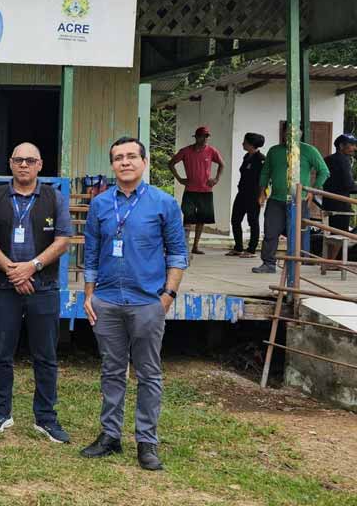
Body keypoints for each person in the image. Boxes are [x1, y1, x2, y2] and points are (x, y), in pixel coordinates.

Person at [81, 137, 187, 471]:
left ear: (144, 161)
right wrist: (89, 294)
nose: (125, 162)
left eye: (131, 157)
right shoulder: (100, 204)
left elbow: (178, 253)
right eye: (118, 158)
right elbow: (92, 253)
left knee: (149, 374)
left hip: (147, 302)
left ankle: (147, 442)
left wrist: (168, 295)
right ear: (112, 165)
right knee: (112, 370)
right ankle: (110, 435)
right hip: (107, 302)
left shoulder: (164, 203)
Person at [0, 142, 72, 444]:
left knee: (46, 354)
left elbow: (63, 239)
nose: (24, 165)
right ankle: (1, 413)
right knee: (1, 352)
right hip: (3, 286)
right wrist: (12, 270)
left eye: (30, 160)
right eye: (18, 160)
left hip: (43, 286)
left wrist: (31, 266)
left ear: (40, 165)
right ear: (10, 163)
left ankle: (46, 418)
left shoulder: (54, 198)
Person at [252, 128, 329, 274]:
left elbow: (324, 171)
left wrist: (312, 190)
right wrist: (262, 192)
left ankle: (298, 264)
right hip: (276, 198)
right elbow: (265, 172)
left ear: (299, 136)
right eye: (287, 134)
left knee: (298, 232)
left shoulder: (309, 150)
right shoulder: (274, 151)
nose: (289, 137)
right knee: (270, 232)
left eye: (293, 134)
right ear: (283, 135)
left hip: (299, 199)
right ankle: (268, 263)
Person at [168, 126, 224, 255]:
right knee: (188, 218)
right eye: (202, 136)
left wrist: (216, 179)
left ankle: (196, 246)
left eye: (206, 137)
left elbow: (222, 164)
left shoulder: (211, 151)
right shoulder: (186, 151)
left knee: (202, 219)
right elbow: (171, 163)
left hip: (206, 190)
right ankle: (184, 246)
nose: (205, 139)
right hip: (190, 189)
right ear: (197, 137)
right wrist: (180, 179)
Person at [227, 133, 266, 258]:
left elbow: (264, 180)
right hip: (242, 192)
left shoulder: (261, 159)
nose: (243, 144)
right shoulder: (246, 157)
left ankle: (251, 249)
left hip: (254, 194)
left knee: (253, 220)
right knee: (235, 219)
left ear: (251, 144)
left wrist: (262, 195)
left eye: (245, 142)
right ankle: (238, 247)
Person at [321, 133, 357, 233]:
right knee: (340, 237)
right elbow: (349, 185)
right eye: (352, 145)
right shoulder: (344, 160)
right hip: (340, 206)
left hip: (327, 203)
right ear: (341, 146)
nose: (355, 148)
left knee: (330, 236)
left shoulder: (327, 159)